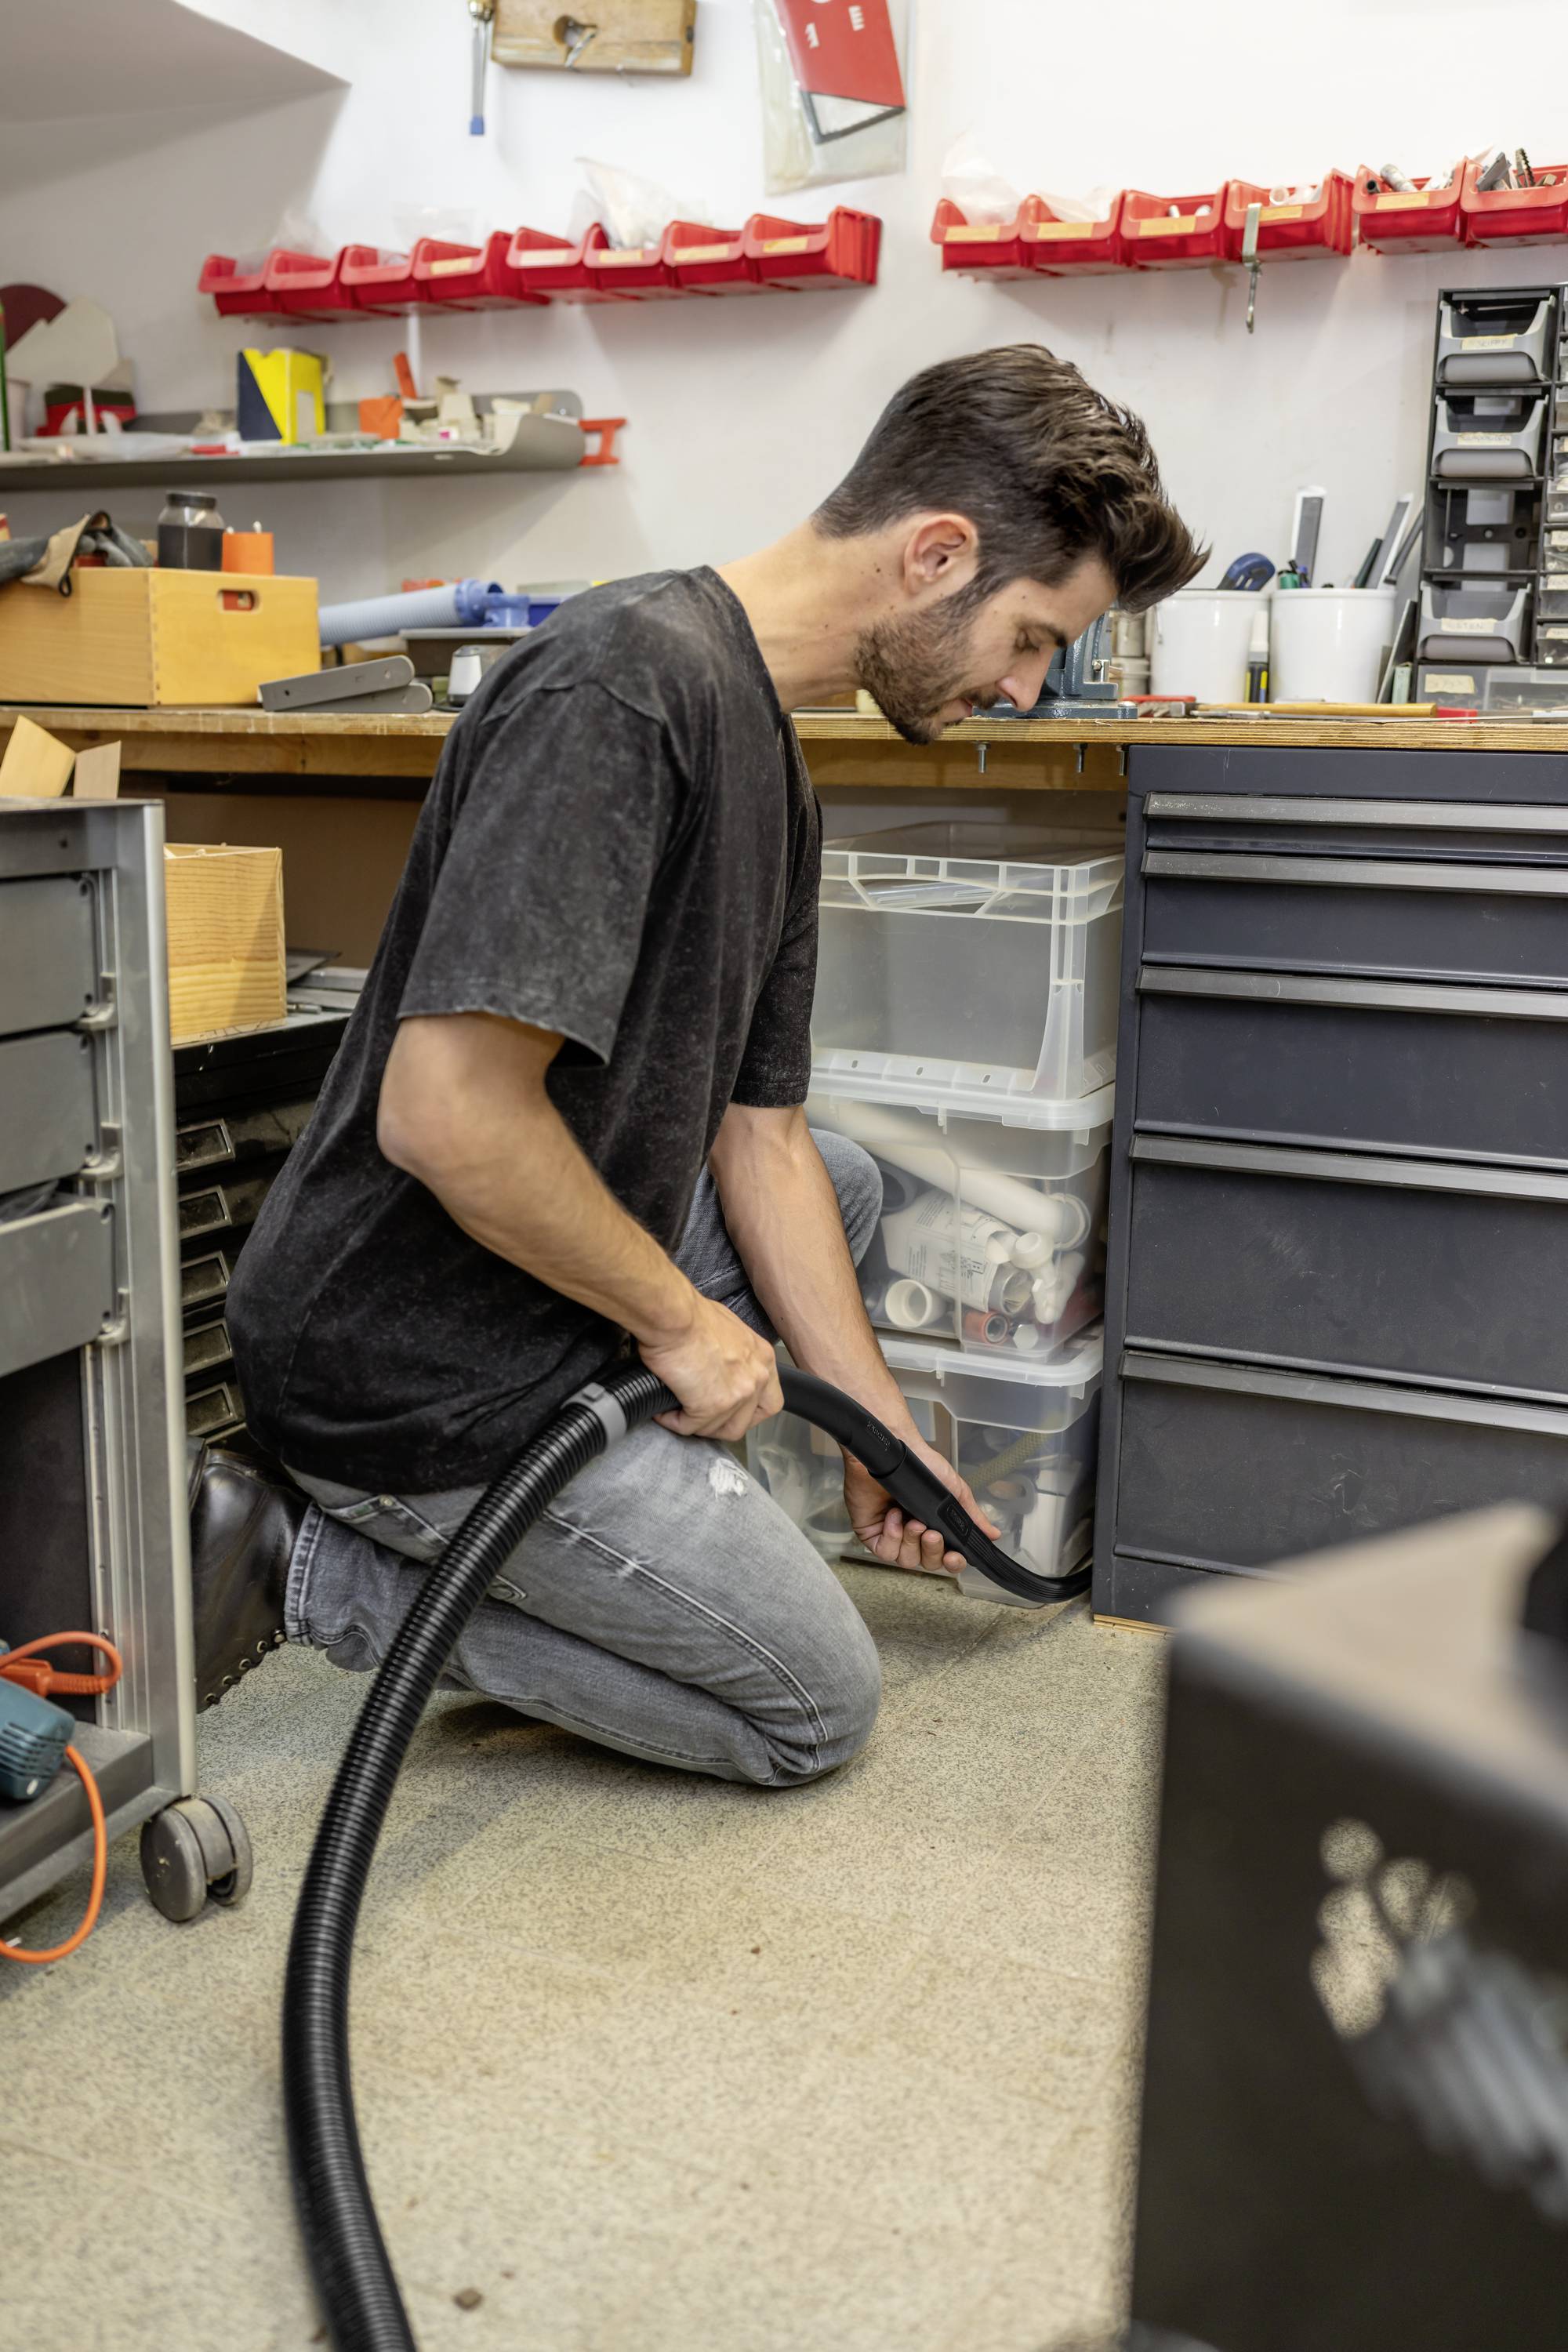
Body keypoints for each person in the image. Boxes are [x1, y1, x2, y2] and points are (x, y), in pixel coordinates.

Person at [198, 343, 1203, 1784]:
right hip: (402, 1354)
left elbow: (765, 1142)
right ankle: (307, 1568)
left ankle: (627, 1517)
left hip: (530, 1303)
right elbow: (446, 1113)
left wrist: (881, 1436)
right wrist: (679, 1327)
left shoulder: (775, 768)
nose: (1032, 691)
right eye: (1036, 638)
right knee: (809, 1709)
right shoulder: (621, 694)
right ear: (937, 555)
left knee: (839, 1181)